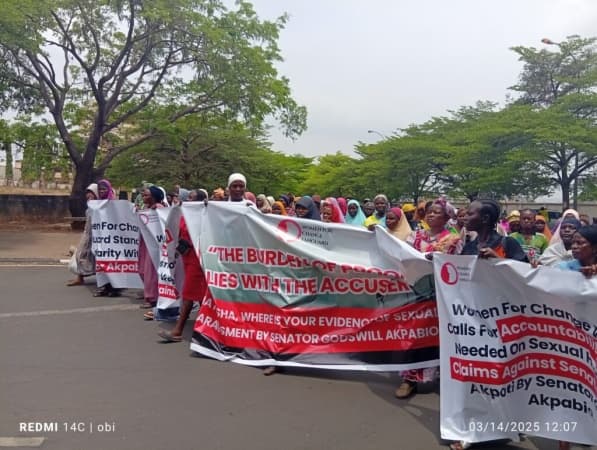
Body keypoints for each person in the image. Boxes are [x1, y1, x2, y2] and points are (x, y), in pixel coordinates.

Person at [396, 198, 463, 399]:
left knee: (440, 336)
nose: (431, 215)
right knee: (415, 335)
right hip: (416, 293)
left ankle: (444, 380)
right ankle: (409, 379)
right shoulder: (415, 236)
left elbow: (457, 267)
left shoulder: (453, 240)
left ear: (447, 217)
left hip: (441, 295)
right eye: (429, 212)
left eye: (436, 212)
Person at [93, 179, 122, 297]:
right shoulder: (96, 204)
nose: (101, 191)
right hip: (101, 238)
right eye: (99, 189)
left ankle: (115, 288)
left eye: (104, 189)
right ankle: (104, 287)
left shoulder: (114, 204)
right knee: (101, 263)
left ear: (109, 189)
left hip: (112, 239)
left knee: (112, 263)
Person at [137, 186, 165, 309]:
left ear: (154, 197)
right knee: (142, 269)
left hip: (154, 244)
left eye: (147, 195)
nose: (144, 197)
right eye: (143, 195)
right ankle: (150, 293)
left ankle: (152, 297)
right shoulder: (146, 209)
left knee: (150, 271)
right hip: (144, 242)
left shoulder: (160, 209)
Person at [67, 183, 98, 286]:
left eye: (91, 193)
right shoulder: (89, 208)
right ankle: (80, 277)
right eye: (88, 193)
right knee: (81, 254)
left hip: (98, 237)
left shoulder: (100, 207)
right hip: (88, 235)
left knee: (97, 258)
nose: (89, 196)